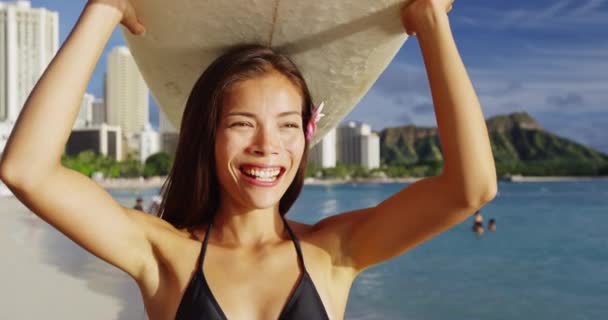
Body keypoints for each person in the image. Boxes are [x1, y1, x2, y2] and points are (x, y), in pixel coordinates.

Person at [0, 0, 497, 319]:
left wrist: (432, 22)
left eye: (286, 125)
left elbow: (470, 188)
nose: (268, 145)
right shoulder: (165, 255)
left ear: (306, 136)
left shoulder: (336, 251)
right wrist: (104, 9)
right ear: (207, 136)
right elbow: (27, 170)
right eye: (242, 123)